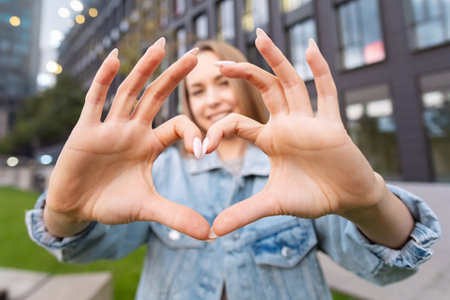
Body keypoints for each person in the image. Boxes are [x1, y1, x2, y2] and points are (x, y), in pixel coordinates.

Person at [26, 29, 440, 299]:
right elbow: (87, 247)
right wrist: (64, 213)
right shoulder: (161, 174)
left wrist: (369, 202)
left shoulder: (301, 170)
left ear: (246, 86)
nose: (212, 100)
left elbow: (389, 270)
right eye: (197, 91)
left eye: (223, 82)